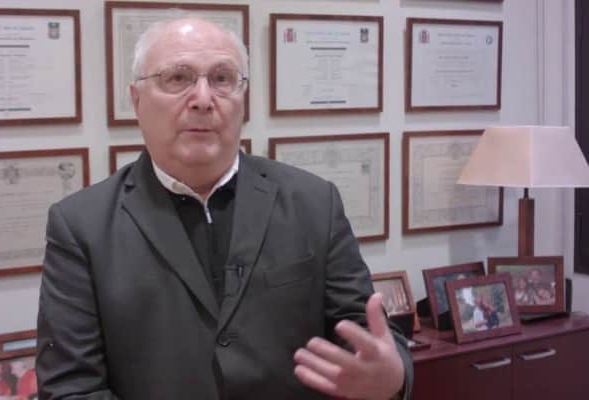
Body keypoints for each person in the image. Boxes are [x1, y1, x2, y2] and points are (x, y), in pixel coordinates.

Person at [36, 16, 412, 400]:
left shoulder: (314, 202)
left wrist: (392, 376)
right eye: (177, 77)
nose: (203, 99)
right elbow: (71, 388)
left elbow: (368, 337)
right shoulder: (81, 226)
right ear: (136, 100)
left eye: (222, 78)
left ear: (242, 99)